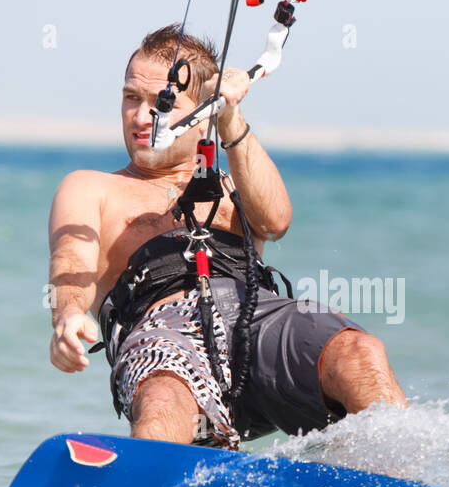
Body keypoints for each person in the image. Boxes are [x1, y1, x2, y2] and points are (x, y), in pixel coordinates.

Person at [46, 24, 407, 450]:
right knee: (164, 402)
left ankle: (409, 472)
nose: (142, 117)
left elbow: (275, 222)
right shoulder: (90, 187)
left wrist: (231, 115)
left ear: (202, 116)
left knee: (359, 353)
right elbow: (72, 255)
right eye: (131, 98)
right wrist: (68, 315)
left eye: (161, 102)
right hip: (163, 337)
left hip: (256, 319)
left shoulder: (234, 183)